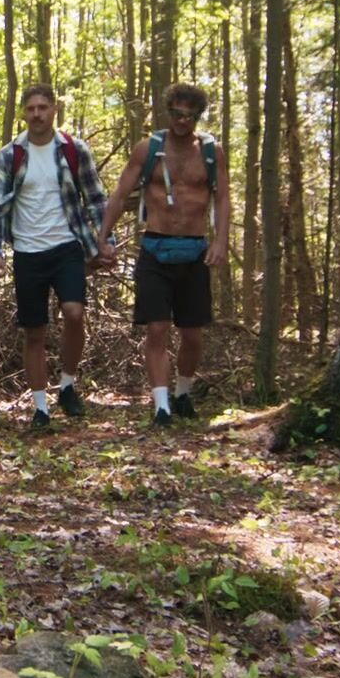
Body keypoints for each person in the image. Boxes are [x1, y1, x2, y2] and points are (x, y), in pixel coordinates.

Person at [0, 85, 110, 432]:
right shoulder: (10, 156)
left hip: (67, 246)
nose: (37, 114)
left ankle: (67, 386)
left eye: (43, 107)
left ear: (54, 110)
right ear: (24, 112)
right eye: (31, 108)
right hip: (27, 252)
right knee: (34, 332)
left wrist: (104, 241)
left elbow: (96, 198)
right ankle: (40, 408)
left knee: (74, 313)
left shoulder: (74, 150)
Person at [97, 83, 232, 426]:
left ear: (198, 116)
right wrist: (103, 237)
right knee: (156, 328)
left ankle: (182, 393)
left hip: (195, 251)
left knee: (192, 335)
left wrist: (220, 242)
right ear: (168, 112)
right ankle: (161, 406)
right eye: (177, 114)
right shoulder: (148, 149)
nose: (182, 121)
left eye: (189, 115)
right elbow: (119, 194)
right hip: (154, 248)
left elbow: (222, 198)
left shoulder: (211, 152)